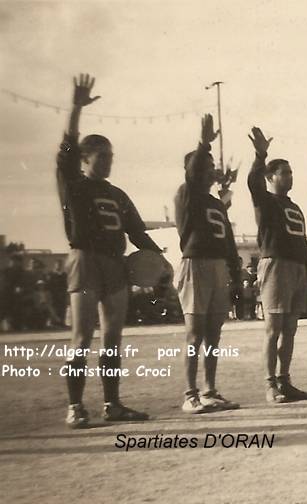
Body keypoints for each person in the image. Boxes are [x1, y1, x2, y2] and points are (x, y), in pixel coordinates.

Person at [57, 74, 168, 428]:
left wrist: (162, 261)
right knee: (81, 337)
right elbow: (66, 149)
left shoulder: (118, 194)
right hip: (85, 261)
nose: (108, 161)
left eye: (111, 156)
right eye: (101, 156)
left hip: (115, 265)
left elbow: (137, 233)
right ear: (85, 159)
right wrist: (76, 109)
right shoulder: (74, 184)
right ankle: (75, 406)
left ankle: (112, 404)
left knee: (113, 338)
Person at [174, 114, 243, 413]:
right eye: (207, 165)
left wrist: (235, 270)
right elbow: (192, 172)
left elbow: (227, 239)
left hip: (217, 267)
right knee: (195, 332)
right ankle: (190, 393)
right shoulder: (186, 194)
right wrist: (203, 144)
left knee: (215, 333)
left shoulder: (215, 203)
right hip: (195, 265)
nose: (212, 170)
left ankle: (210, 389)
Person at [247, 127, 307, 403]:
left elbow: (301, 245)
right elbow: (252, 181)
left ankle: (285, 380)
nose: (289, 176)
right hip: (274, 265)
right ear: (270, 177)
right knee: (273, 328)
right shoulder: (265, 200)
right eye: (283, 172)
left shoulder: (295, 207)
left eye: (291, 172)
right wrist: (260, 154)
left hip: (297, 269)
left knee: (290, 329)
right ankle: (270, 384)